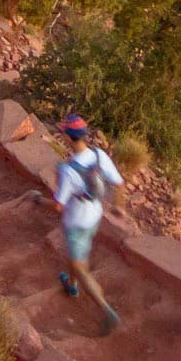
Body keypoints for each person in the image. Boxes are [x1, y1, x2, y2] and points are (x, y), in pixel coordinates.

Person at [50, 115, 124, 335]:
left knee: (81, 268)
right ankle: (72, 287)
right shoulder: (100, 156)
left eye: (63, 132)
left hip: (76, 222)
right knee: (75, 257)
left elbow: (58, 206)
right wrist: (121, 208)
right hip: (94, 216)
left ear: (68, 137)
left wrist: (40, 199)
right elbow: (119, 184)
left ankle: (107, 310)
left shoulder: (68, 170)